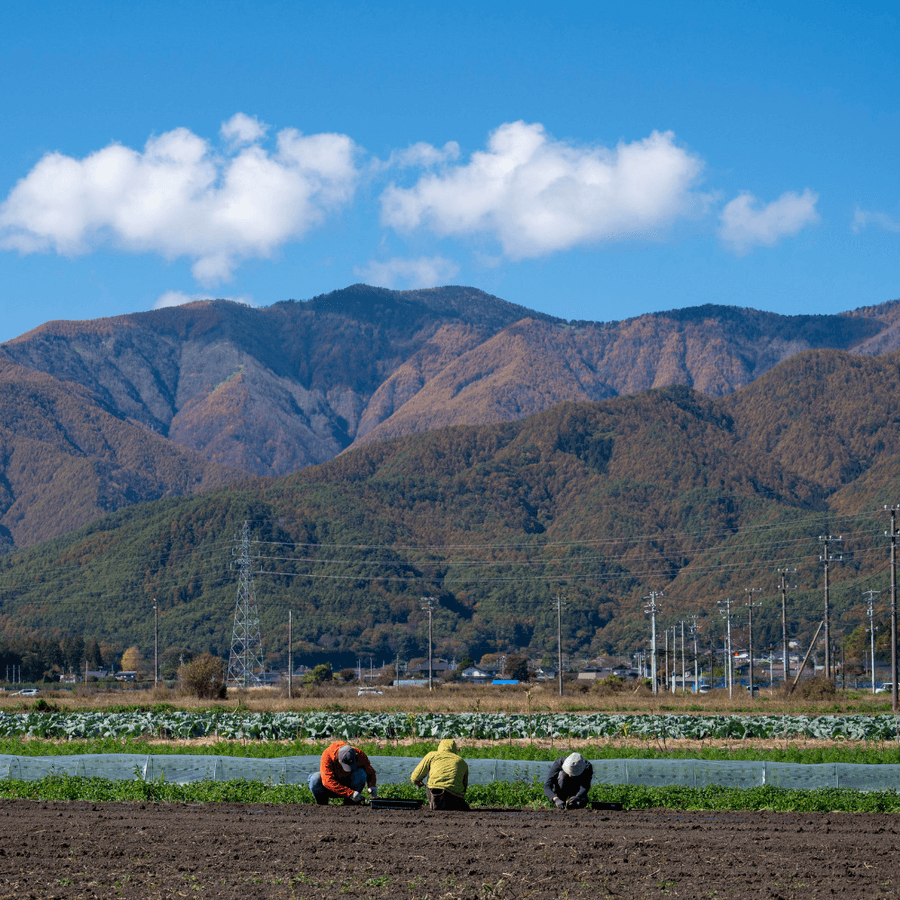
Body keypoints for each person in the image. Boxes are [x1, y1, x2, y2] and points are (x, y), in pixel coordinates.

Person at [308, 740, 378, 805]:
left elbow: (369, 770)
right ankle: (322, 805)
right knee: (315, 779)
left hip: (349, 783)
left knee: (361, 773)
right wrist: (350, 793)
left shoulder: (359, 754)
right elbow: (327, 781)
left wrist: (372, 785)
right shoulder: (327, 755)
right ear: (338, 759)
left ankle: (351, 804)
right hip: (330, 788)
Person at [410, 738, 470, 810]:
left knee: (431, 777)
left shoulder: (432, 755)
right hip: (454, 795)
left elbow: (415, 777)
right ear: (455, 749)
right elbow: (464, 786)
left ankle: (435, 803)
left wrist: (419, 783)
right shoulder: (462, 762)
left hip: (435, 791)